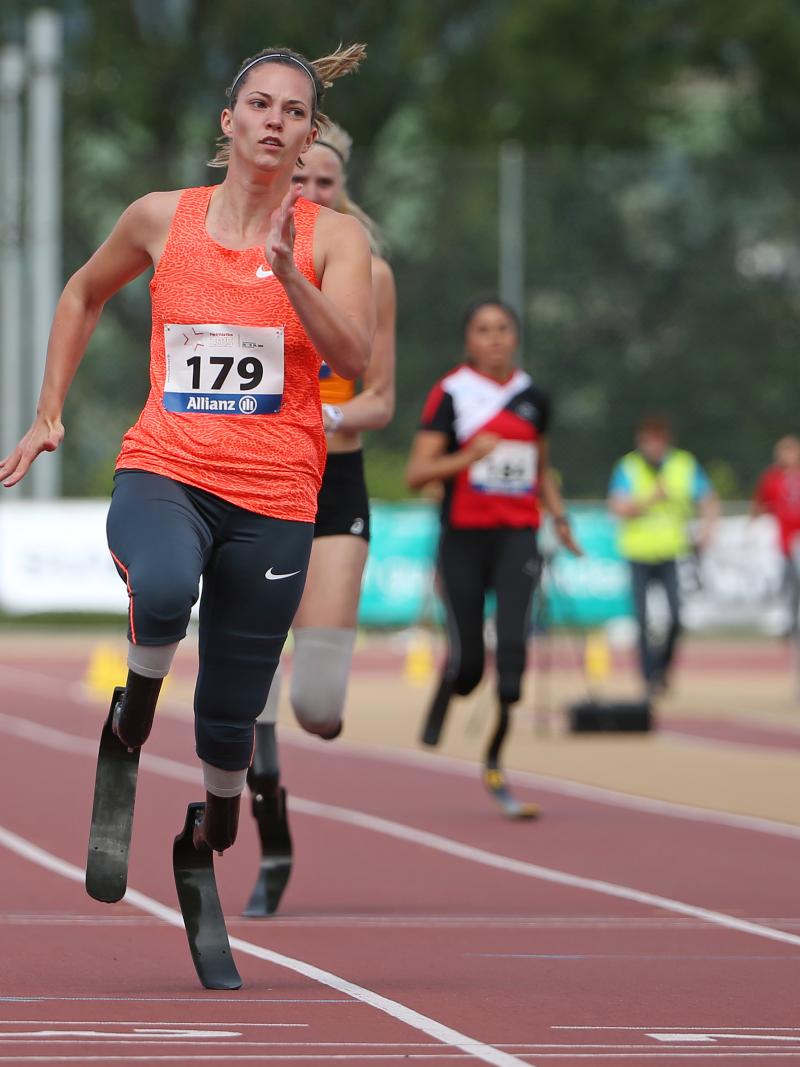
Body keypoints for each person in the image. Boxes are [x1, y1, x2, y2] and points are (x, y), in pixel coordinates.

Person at [0, 44, 373, 861]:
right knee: (163, 591)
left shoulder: (333, 239)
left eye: (295, 112)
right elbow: (82, 291)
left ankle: (211, 830)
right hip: (169, 465)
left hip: (276, 494)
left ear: (309, 138)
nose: (276, 121)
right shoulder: (159, 217)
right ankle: (131, 708)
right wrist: (48, 411)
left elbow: (353, 360)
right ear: (229, 120)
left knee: (230, 717)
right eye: (262, 105)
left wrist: (292, 277)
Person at [245, 124, 396, 913]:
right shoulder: (237, 259)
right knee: (253, 696)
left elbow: (380, 394)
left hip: (334, 485)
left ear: (344, 191)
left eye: (326, 183)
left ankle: (288, 751)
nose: (310, 195)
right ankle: (272, 834)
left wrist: (328, 420)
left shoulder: (368, 270)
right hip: (257, 483)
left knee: (321, 706)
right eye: (299, 180)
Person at [406, 297, 580, 818]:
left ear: (516, 337)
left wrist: (561, 518)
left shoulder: (533, 398)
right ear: (469, 340)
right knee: (470, 670)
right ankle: (449, 684)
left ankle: (495, 761)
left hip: (518, 537)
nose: (496, 338)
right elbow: (418, 473)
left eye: (504, 328)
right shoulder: (451, 393)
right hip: (463, 537)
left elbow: (540, 468)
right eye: (484, 330)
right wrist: (467, 457)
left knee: (512, 663)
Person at [607, 416, 718, 696]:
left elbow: (708, 498)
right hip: (638, 553)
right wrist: (648, 500)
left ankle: (662, 668)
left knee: (677, 617)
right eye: (649, 441)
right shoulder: (628, 467)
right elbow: (617, 507)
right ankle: (648, 678)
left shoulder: (683, 464)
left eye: (659, 441)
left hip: (672, 552)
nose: (654, 447)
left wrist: (707, 529)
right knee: (642, 619)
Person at [751, 435, 800, 636]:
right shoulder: (772, 478)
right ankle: (788, 620)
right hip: (782, 541)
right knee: (787, 582)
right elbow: (760, 505)